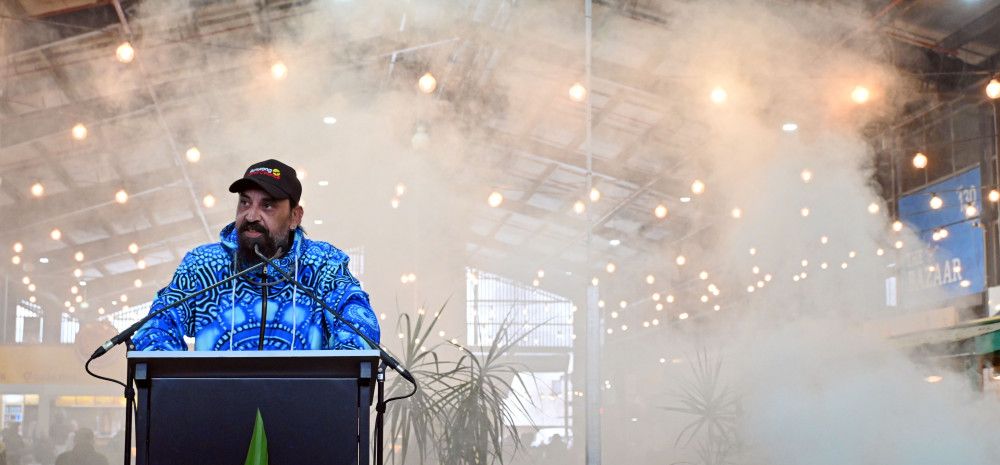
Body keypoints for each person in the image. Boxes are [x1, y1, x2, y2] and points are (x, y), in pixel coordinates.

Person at [132, 159, 380, 351]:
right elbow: (157, 323)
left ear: (295, 216)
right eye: (245, 203)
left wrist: (333, 386)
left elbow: (358, 322)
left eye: (267, 205)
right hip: (213, 413)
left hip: (304, 412)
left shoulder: (323, 264)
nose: (251, 216)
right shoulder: (202, 265)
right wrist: (181, 386)